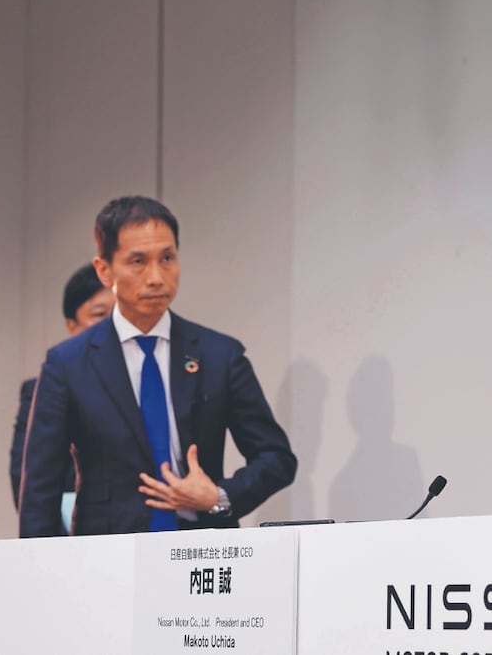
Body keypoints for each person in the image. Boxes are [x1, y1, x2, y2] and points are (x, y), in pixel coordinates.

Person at [19, 196, 297, 536]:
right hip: (107, 552)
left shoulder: (219, 355)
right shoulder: (68, 364)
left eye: (167, 258)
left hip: (203, 552)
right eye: (138, 261)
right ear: (104, 270)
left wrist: (219, 496)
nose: (156, 277)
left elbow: (276, 457)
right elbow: (39, 490)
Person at [9, 265, 114, 527]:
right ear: (72, 325)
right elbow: (28, 479)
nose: (112, 326)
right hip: (72, 536)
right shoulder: (41, 389)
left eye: (121, 315)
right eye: (100, 314)